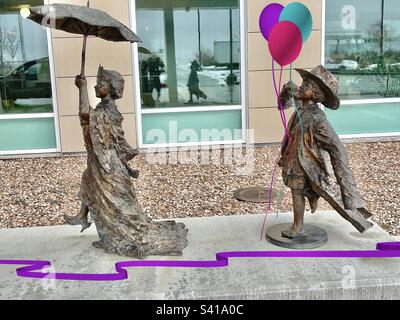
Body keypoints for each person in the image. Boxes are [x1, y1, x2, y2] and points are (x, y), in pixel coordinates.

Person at [63, 65, 188, 258]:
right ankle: (85, 219)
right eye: (95, 84)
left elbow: (85, 115)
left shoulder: (108, 110)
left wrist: (82, 88)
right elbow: (90, 119)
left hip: (107, 163)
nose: (97, 87)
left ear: (111, 88)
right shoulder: (103, 108)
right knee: (88, 181)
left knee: (114, 204)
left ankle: (116, 237)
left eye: (100, 84)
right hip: (100, 159)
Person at [278, 65, 373, 239]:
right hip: (294, 158)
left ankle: (298, 225)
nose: (302, 86)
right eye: (304, 82)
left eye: (307, 85)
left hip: (307, 164)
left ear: (316, 94)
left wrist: (346, 186)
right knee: (296, 189)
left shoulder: (318, 119)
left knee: (300, 190)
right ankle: (306, 209)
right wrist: (285, 91)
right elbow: (282, 106)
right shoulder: (301, 106)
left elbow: (338, 149)